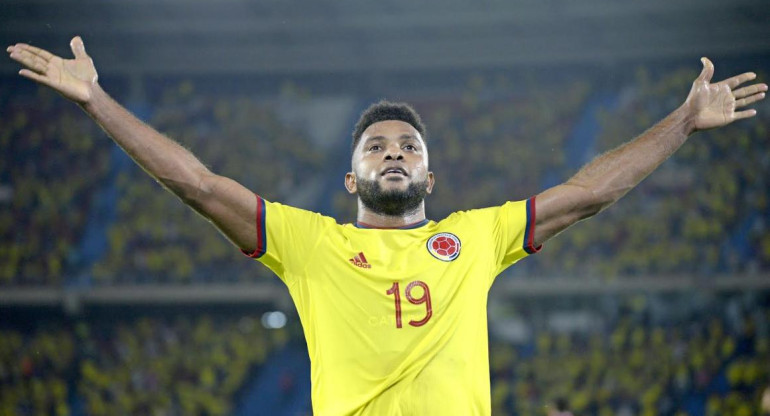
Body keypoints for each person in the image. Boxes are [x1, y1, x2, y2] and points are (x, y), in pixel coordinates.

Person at [6, 37, 766, 416]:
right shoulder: (309, 244)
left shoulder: (475, 236)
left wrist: (683, 122)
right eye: (377, 146)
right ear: (351, 179)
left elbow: (584, 193)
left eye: (409, 147)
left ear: (430, 176)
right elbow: (197, 183)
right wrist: (96, 102)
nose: (394, 151)